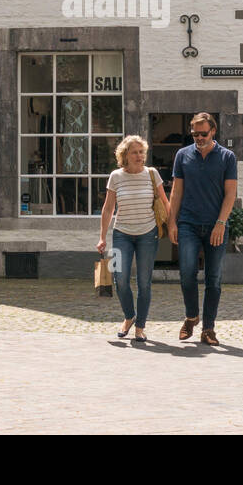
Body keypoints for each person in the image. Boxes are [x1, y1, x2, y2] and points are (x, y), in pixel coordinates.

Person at [168, 112, 237, 346]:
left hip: (216, 225)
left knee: (213, 278)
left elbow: (231, 194)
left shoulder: (227, 157)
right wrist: (171, 222)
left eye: (203, 133)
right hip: (188, 222)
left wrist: (220, 223)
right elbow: (176, 192)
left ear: (213, 131)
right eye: (195, 133)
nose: (198, 137)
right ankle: (191, 316)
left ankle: (208, 328)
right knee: (187, 272)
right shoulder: (182, 155)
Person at [98, 135, 169, 342]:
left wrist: (173, 227)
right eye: (134, 152)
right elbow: (108, 208)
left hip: (148, 234)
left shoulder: (152, 174)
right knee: (120, 279)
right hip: (121, 235)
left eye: (141, 152)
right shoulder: (116, 176)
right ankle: (129, 316)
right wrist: (102, 237)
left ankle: (140, 326)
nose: (139, 156)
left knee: (144, 283)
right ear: (124, 155)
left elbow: (165, 202)